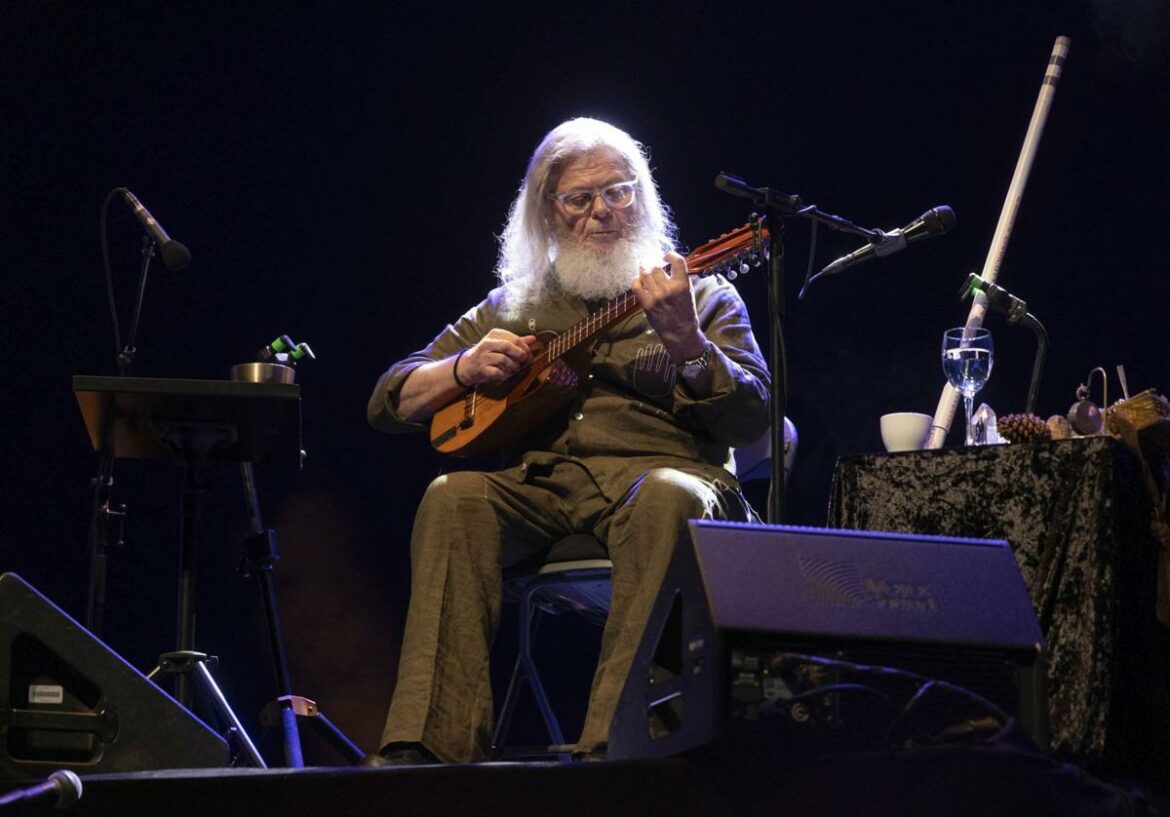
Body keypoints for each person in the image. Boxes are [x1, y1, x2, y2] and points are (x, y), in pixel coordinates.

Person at [366, 117, 770, 764]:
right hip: (544, 489)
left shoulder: (701, 294)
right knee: (453, 497)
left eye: (618, 191)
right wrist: (463, 368)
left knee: (668, 494)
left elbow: (752, 419)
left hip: (660, 481)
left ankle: (617, 748)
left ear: (642, 197)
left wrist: (687, 341)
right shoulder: (514, 306)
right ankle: (429, 750)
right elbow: (390, 400)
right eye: (579, 198)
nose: (602, 212)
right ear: (548, 214)